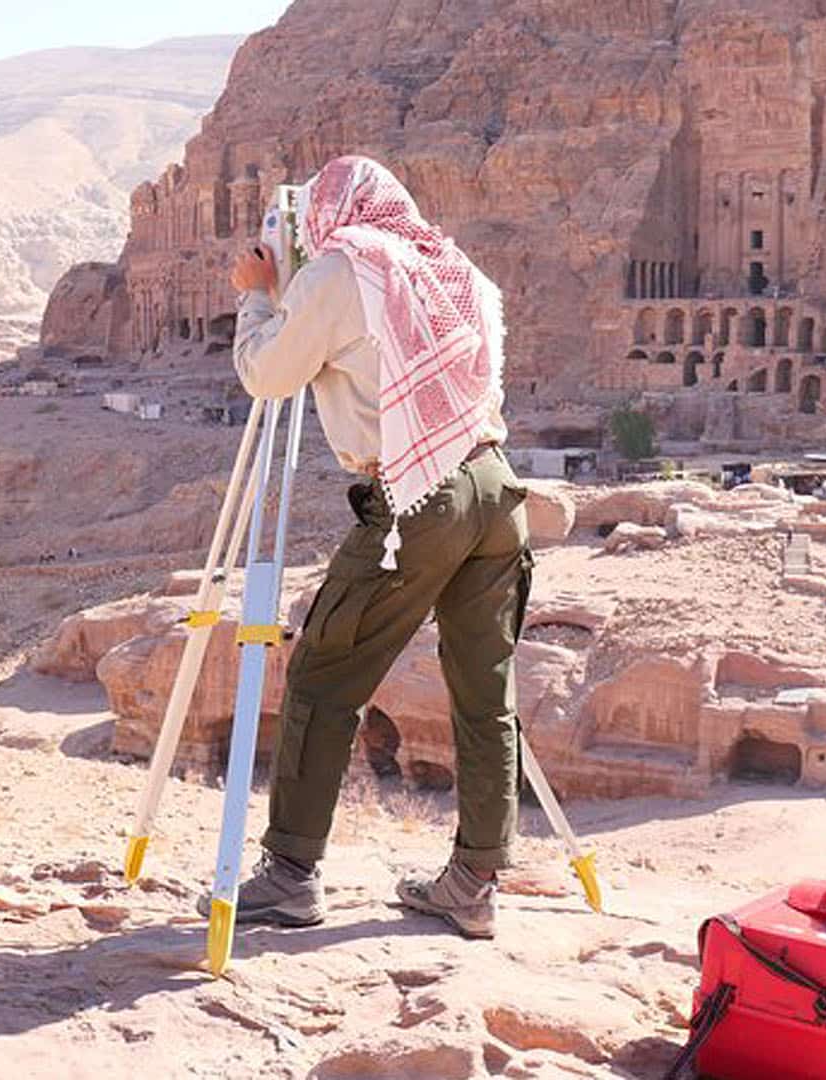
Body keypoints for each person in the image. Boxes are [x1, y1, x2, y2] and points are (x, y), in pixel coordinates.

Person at [199, 155, 531, 939]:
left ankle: (289, 877)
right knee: (486, 699)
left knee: (323, 673)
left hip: (419, 495)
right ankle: (473, 883)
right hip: (495, 488)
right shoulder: (453, 270)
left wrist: (256, 298)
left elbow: (270, 373)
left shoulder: (345, 269)